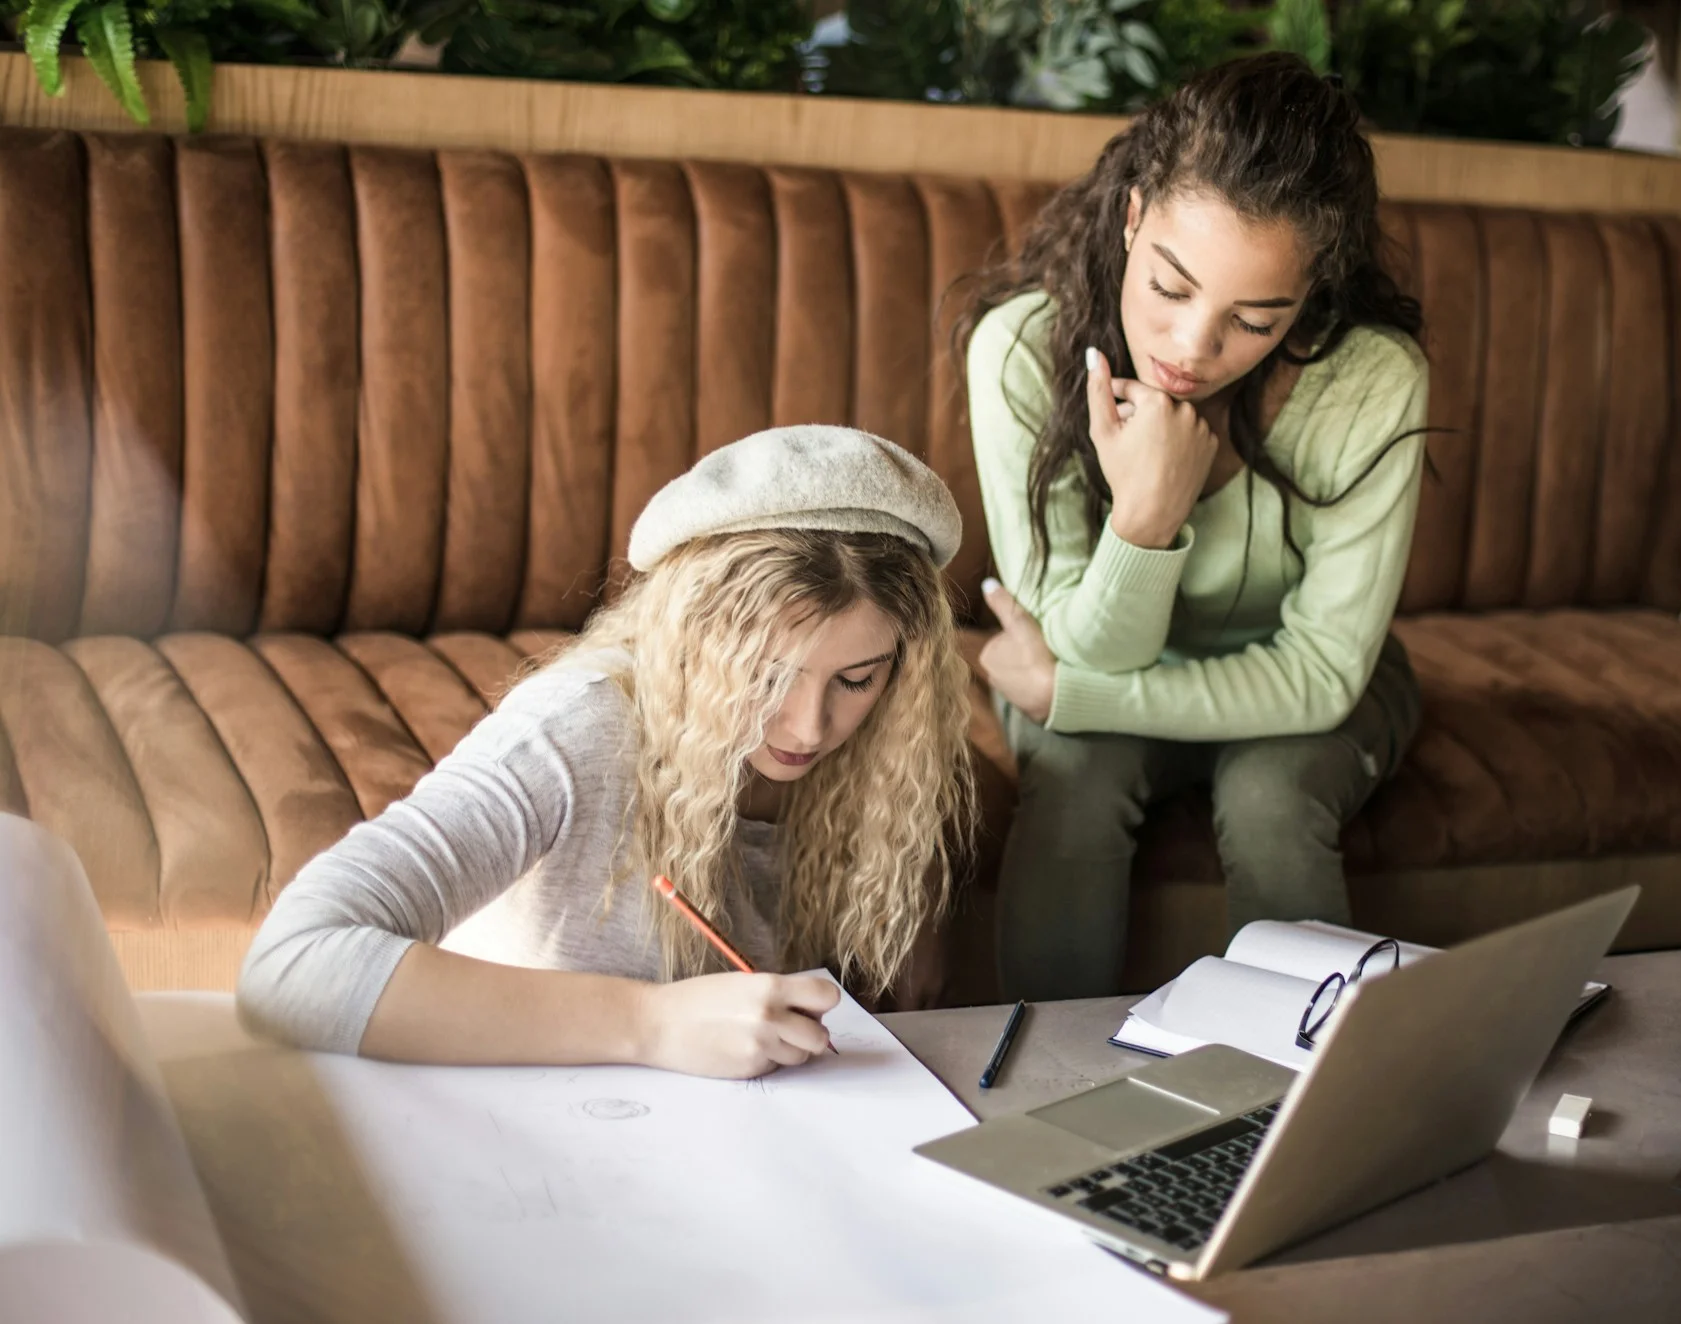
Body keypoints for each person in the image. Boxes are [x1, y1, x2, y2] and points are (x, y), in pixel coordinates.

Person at [237, 426, 975, 1078]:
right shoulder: (580, 726)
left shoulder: (891, 744)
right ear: (693, 640)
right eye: (765, 677)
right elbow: (292, 967)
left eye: (855, 679)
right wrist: (652, 1025)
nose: (810, 729)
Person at [962, 53, 1428, 1001]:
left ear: (1314, 295)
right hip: (1093, 668)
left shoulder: (1374, 379)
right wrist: (1146, 516)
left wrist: (1074, 695)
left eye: (1254, 321)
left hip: (1300, 696)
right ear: (1132, 218)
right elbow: (1079, 642)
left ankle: (1306, 1103)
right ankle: (1044, 1092)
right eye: (1171, 289)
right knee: (1075, 786)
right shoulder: (1018, 349)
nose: (1191, 351)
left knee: (1268, 799)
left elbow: (1321, 674)